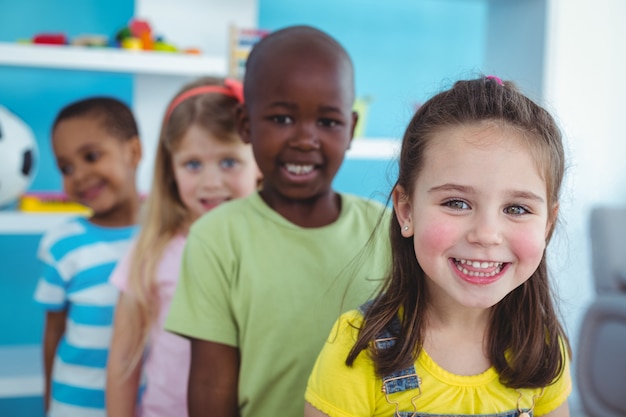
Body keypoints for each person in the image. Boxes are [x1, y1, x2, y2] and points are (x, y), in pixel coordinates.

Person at [304, 76, 573, 417]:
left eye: (516, 209)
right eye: (456, 203)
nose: (486, 234)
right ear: (406, 210)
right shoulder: (358, 348)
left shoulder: (544, 350)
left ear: (547, 224)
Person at [164, 25, 390, 417]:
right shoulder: (217, 238)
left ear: (351, 129)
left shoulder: (387, 230)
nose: (305, 139)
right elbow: (210, 383)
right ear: (246, 125)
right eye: (282, 119)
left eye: (328, 122)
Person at [105, 76, 260, 417]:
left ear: (258, 163)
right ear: (171, 170)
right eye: (193, 164)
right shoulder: (151, 249)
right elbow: (123, 357)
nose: (211, 182)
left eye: (229, 162)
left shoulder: (271, 247)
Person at [33, 97, 142, 417]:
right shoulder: (62, 244)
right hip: (74, 407)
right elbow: (53, 330)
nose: (78, 176)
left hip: (144, 405)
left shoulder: (163, 235)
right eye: (66, 167)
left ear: (133, 152)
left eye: (91, 156)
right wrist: (50, 399)